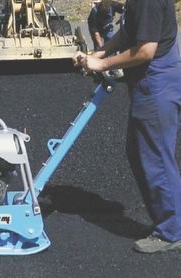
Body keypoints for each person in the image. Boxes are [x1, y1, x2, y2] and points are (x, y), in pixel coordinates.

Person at [73, 0, 181, 254]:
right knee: (139, 152)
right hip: (150, 82)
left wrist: (102, 64)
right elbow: (128, 33)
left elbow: (145, 51)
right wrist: (101, 52)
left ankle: (171, 231)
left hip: (156, 84)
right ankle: (169, 222)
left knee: (155, 158)